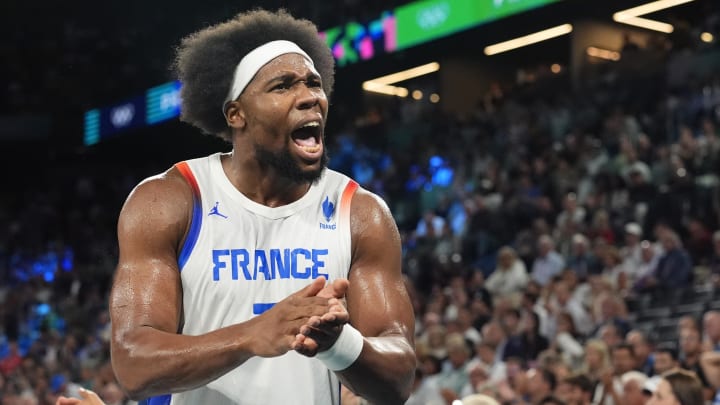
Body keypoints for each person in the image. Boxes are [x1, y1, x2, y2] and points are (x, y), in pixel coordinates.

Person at [108, 9, 416, 405]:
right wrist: (251, 335)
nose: (310, 98)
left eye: (313, 83)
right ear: (237, 114)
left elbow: (399, 377)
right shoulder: (169, 201)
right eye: (283, 86)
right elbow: (134, 364)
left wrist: (340, 344)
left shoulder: (361, 213)